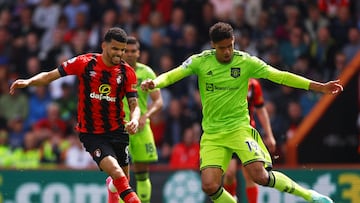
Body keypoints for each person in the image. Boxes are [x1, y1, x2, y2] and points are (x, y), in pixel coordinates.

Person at [141, 22, 343, 203]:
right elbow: (173, 74)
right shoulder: (200, 61)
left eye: (230, 45)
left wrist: (319, 87)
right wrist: (155, 83)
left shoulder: (245, 62)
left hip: (239, 129)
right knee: (209, 186)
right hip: (212, 135)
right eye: (222, 48)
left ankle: (310, 196)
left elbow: (280, 76)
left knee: (260, 177)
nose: (228, 51)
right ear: (213, 46)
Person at [9, 27, 142, 203]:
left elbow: (134, 104)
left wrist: (135, 119)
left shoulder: (127, 72)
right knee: (119, 176)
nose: (119, 53)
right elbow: (50, 76)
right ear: (104, 46)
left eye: (122, 50)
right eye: (115, 48)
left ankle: (111, 186)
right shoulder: (85, 63)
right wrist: (29, 81)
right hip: (92, 133)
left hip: (118, 130)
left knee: (121, 181)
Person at [106, 36, 163, 203]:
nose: (130, 54)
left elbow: (158, 101)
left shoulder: (146, 72)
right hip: (119, 128)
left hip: (141, 127)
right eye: (127, 51)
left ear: (139, 53)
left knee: (142, 172)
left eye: (133, 51)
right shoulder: (114, 71)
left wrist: (146, 116)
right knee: (121, 174)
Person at [223, 78, 276, 203]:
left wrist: (269, 135)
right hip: (228, 132)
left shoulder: (253, 85)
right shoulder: (225, 80)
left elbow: (260, 109)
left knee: (251, 174)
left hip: (247, 133)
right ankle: (232, 199)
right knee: (229, 173)